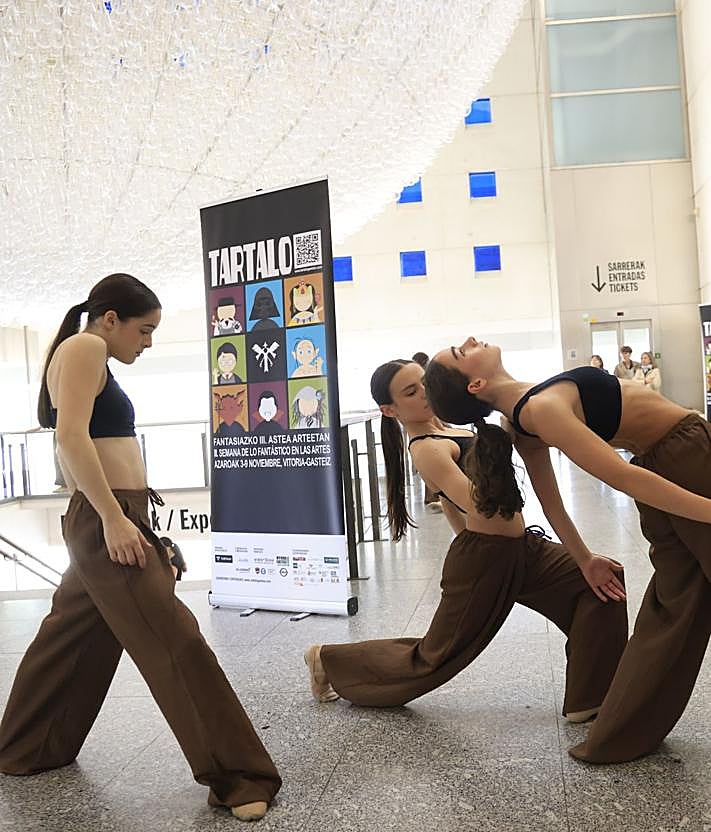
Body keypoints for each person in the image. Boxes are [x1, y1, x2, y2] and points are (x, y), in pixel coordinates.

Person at [0, 273, 280, 821]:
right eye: (144, 330)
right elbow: (71, 437)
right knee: (173, 637)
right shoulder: (85, 347)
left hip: (115, 514)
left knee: (71, 635)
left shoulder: (86, 352)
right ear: (111, 320)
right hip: (106, 515)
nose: (147, 343)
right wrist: (112, 518)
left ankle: (24, 746)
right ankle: (237, 776)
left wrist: (131, 521)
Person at [425, 336, 711, 763]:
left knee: (675, 604)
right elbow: (621, 477)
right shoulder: (538, 410)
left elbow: (552, 502)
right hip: (685, 457)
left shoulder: (522, 414)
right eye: (461, 353)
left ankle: (619, 733)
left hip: (666, 464)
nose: (469, 342)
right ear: (476, 384)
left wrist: (585, 560)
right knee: (676, 602)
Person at [304, 359, 627, 723]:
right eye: (410, 392)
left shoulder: (449, 430)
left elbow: (448, 501)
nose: (424, 393)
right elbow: (481, 506)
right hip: (486, 561)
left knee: (601, 584)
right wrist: (502, 440)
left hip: (520, 549)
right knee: (433, 657)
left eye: (424, 382)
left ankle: (590, 697)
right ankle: (326, 660)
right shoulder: (426, 449)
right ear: (390, 410)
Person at [411, 351, 442, 511]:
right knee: (434, 458)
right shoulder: (426, 378)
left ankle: (434, 496)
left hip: (427, 424)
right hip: (430, 423)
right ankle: (435, 496)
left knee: (430, 461)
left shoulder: (420, 378)